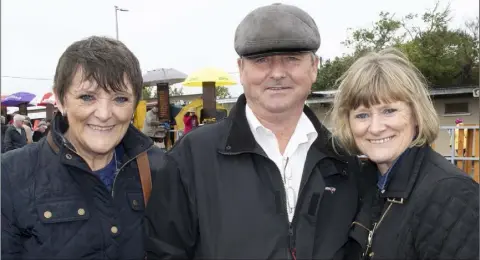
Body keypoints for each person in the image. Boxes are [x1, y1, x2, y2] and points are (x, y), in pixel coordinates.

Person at [145, 3, 362, 259]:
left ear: (314, 67)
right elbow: (164, 251)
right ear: (241, 70)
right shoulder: (192, 157)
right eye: (261, 60)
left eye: (292, 59)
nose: (278, 73)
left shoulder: (345, 159)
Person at [2, 36, 166, 259]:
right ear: (60, 100)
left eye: (120, 99)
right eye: (87, 97)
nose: (104, 114)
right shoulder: (10, 175)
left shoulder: (161, 170)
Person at [329, 48, 479, 259]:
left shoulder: (451, 192)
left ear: (416, 115)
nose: (375, 127)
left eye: (389, 111)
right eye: (362, 115)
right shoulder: (364, 184)